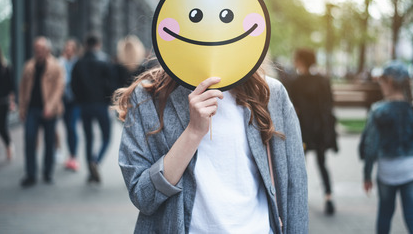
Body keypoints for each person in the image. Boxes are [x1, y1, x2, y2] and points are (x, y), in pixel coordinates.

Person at [113, 66, 308, 233]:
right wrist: (193, 132)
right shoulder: (149, 96)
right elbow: (143, 196)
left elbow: (295, 190)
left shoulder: (270, 94)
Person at [360, 61, 413, 234]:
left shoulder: (378, 110)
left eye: (382, 81)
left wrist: (367, 174)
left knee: (385, 215)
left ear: (389, 82)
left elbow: (371, 146)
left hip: (387, 171)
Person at [287, 48, 338, 215]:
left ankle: (298, 201)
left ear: (301, 61)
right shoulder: (322, 80)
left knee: (301, 166)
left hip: (302, 130)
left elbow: (292, 109)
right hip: (320, 131)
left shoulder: (295, 82)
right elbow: (328, 106)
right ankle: (328, 197)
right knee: (322, 164)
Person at [18, 36, 65, 187]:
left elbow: (59, 89)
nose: (38, 52)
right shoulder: (29, 66)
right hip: (32, 109)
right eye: (36, 49)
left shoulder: (56, 66)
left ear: (47, 50)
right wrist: (22, 109)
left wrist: (50, 107)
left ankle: (47, 172)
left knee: (49, 141)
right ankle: (31, 174)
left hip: (49, 110)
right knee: (29, 140)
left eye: (41, 49)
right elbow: (23, 88)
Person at [71, 33, 114, 184]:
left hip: (85, 106)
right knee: (107, 137)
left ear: (86, 44)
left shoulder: (79, 63)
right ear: (98, 44)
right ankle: (96, 161)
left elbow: (74, 85)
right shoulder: (104, 61)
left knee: (88, 138)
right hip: (101, 105)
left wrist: (80, 100)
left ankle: (90, 170)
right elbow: (111, 83)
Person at [58, 39, 81, 171]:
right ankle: (71, 155)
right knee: (67, 127)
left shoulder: (78, 62)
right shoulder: (61, 62)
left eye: (71, 47)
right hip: (64, 100)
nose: (68, 49)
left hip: (76, 101)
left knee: (72, 126)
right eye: (67, 47)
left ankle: (74, 156)